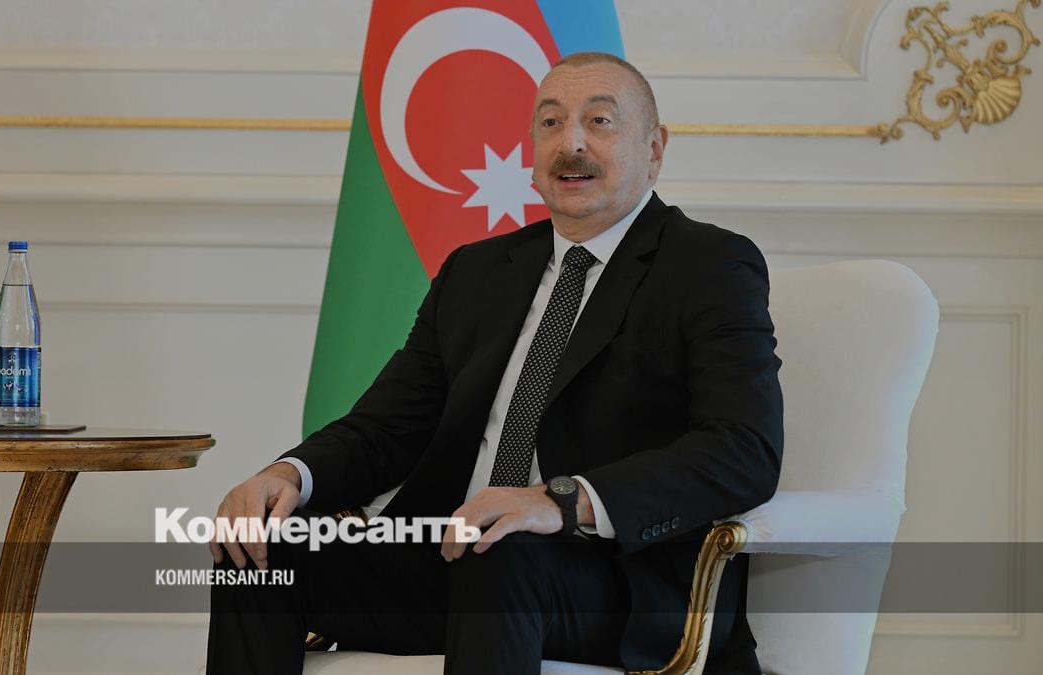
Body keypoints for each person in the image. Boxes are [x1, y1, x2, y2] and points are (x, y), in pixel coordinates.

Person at [206, 51, 782, 675]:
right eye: (551, 123)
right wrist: (291, 474)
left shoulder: (708, 265)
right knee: (261, 550)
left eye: (600, 121)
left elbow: (742, 449)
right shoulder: (476, 271)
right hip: (457, 560)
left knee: (502, 548)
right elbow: (388, 426)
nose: (571, 144)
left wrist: (561, 501)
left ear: (654, 148)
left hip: (615, 580)